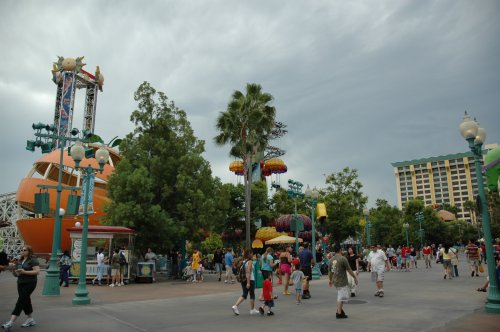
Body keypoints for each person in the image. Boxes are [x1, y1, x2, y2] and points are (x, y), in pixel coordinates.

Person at [1, 245, 40, 329]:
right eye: (21, 250)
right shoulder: (20, 260)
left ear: (29, 251)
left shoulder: (33, 260)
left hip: (30, 283)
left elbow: (37, 271)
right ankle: (30, 319)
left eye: (25, 250)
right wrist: (14, 271)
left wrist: (24, 272)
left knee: (21, 301)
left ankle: (11, 322)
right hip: (20, 282)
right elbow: (16, 274)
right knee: (26, 300)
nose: (22, 251)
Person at [328, 243, 358, 319]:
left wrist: (330, 279)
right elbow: (349, 269)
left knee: (341, 296)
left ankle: (340, 311)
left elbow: (331, 271)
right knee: (341, 297)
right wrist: (354, 277)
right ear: (340, 250)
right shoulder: (343, 259)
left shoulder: (332, 260)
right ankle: (339, 312)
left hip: (336, 280)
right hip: (342, 281)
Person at [231, 249, 260, 316]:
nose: (253, 255)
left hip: (243, 280)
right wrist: (248, 282)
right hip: (250, 280)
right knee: (252, 295)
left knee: (244, 294)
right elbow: (248, 272)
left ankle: (235, 306)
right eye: (252, 253)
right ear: (249, 254)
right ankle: (252, 309)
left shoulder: (243, 261)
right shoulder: (249, 261)